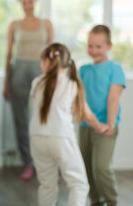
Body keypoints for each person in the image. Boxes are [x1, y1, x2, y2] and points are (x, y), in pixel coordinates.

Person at [29, 43, 107, 206]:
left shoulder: (37, 82)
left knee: (46, 185)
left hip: (37, 137)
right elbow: (86, 115)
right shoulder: (72, 84)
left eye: (41, 61)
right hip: (61, 138)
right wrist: (100, 126)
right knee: (79, 184)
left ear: (48, 62)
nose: (40, 65)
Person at [3, 0, 54, 180]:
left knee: (46, 118)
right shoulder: (14, 25)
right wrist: (7, 82)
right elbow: (9, 55)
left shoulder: (46, 24)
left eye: (30, 1)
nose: (27, 5)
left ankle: (49, 166)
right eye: (24, 2)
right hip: (19, 71)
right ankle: (28, 163)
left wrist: (54, 77)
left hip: (42, 71)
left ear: (35, 1)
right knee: (21, 119)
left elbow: (52, 53)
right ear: (20, 3)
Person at [79, 25, 126, 206]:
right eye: (90, 46)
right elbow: (79, 99)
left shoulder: (115, 68)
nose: (94, 50)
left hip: (107, 126)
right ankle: (95, 201)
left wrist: (110, 124)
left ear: (109, 46)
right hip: (85, 126)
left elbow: (113, 97)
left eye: (98, 46)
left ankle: (111, 201)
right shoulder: (83, 70)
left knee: (101, 168)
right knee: (87, 168)